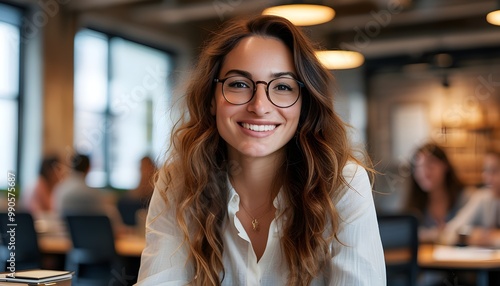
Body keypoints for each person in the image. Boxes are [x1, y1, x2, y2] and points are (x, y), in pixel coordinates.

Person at [136, 15, 385, 285]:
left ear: (304, 105)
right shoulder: (178, 182)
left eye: (282, 87)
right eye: (239, 84)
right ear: (211, 99)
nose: (259, 106)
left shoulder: (343, 183)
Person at [404, 142, 471, 243]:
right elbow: (406, 234)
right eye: (418, 167)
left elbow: (478, 231)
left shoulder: (466, 198)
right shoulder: (413, 205)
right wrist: (437, 235)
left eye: (430, 164)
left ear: (445, 165)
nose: (424, 172)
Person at [441, 148, 500, 247]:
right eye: (485, 170)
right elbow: (448, 232)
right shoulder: (482, 198)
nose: (486, 176)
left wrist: (493, 238)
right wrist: (470, 236)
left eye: (494, 171)